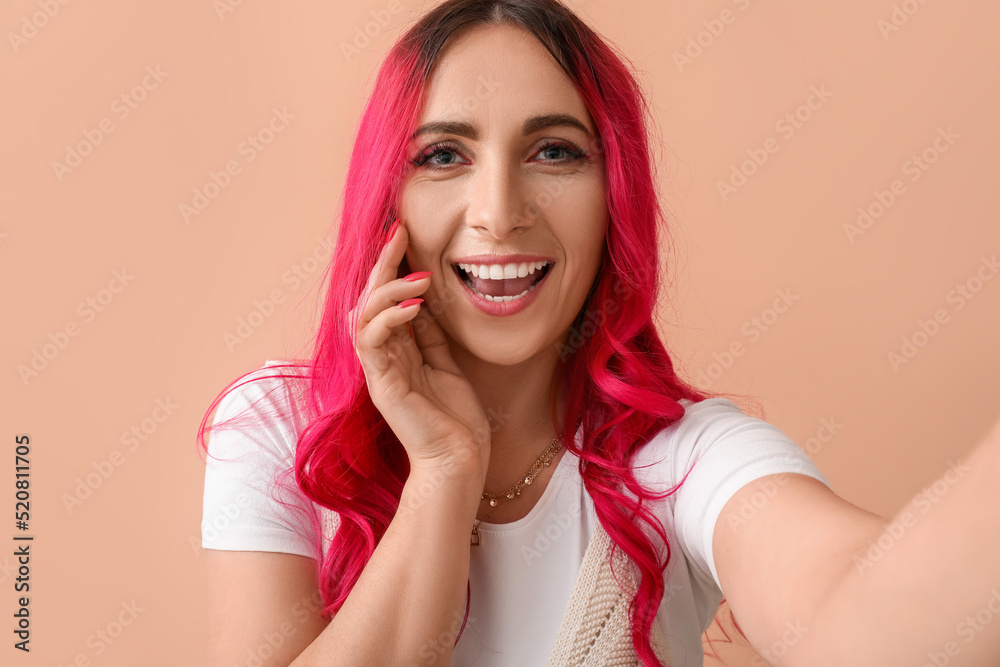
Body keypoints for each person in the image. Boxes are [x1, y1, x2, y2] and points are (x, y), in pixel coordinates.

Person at [199, 1, 1000, 666]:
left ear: (616, 193)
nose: (499, 211)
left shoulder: (684, 456)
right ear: (387, 199)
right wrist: (444, 468)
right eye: (444, 154)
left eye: (555, 151)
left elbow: (853, 613)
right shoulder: (277, 429)